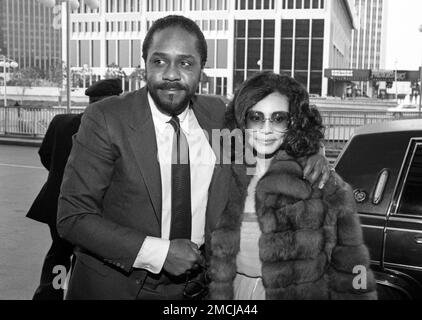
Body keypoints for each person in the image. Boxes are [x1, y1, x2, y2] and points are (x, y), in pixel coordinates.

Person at [56, 15, 330, 300]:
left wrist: (310, 153)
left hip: (198, 289)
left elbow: (265, 140)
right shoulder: (107, 118)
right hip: (119, 288)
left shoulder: (216, 116)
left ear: (202, 70)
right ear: (144, 63)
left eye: (185, 63)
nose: (171, 74)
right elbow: (73, 216)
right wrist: (159, 253)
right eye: (159, 61)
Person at [208, 72, 377, 300]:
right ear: (241, 119)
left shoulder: (322, 183)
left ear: (294, 122)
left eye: (278, 118)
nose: (266, 129)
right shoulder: (221, 174)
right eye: (256, 117)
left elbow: (353, 266)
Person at [26, 78, 123, 300]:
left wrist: (62, 177)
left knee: (59, 254)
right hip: (92, 208)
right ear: (110, 101)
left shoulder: (61, 122)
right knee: (87, 259)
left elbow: (45, 155)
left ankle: (49, 294)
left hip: (56, 204)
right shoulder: (110, 128)